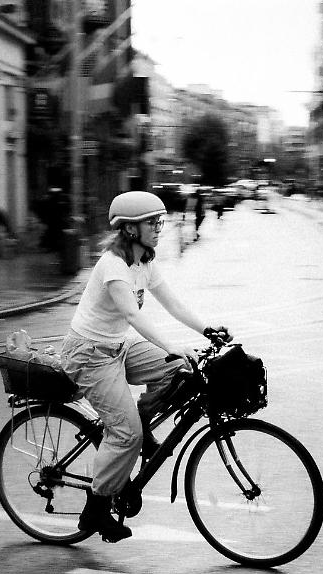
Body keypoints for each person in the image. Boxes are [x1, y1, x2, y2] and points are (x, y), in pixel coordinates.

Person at [59, 190, 230, 543]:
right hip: (89, 354)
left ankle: (140, 420)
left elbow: (173, 304)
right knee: (127, 434)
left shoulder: (145, 263)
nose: (158, 228)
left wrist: (206, 329)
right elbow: (132, 315)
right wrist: (171, 346)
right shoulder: (113, 265)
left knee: (179, 370)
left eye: (159, 222)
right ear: (130, 228)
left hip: (118, 347)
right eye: (151, 222)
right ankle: (96, 508)